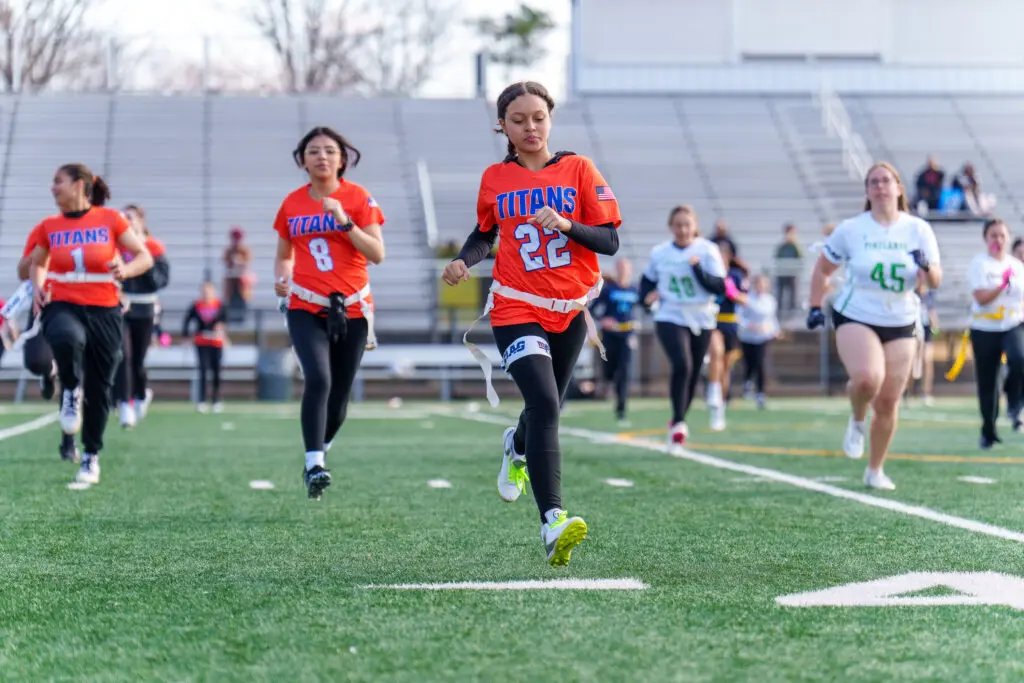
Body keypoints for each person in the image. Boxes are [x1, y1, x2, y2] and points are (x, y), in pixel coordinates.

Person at [442, 81, 621, 568]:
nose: (530, 127)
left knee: (549, 408)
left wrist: (566, 225)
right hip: (516, 307)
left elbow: (608, 242)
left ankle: (514, 445)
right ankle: (553, 521)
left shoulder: (579, 169)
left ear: (551, 118)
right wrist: (464, 260)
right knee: (543, 401)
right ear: (502, 125)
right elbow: (484, 234)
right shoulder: (496, 177)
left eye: (538, 117)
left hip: (569, 309)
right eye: (518, 119)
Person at [807, 161, 942, 490]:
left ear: (898, 188)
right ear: (867, 191)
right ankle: (856, 419)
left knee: (888, 401)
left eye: (886, 181)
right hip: (858, 311)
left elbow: (934, 280)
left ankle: (875, 469)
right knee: (868, 379)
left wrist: (924, 265)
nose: (880, 186)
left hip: (901, 316)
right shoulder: (852, 229)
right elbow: (823, 269)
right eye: (873, 182)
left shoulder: (918, 229)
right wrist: (813, 306)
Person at [273, 126, 385, 500]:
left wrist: (344, 221)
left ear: (343, 158)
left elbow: (377, 254)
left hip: (351, 306)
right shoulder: (291, 203)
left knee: (339, 397)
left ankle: (319, 448)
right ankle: (314, 463)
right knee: (318, 379)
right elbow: (284, 254)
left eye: (329, 150)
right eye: (314, 151)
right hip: (305, 304)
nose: (322, 156)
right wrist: (281, 278)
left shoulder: (358, 197)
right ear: (302, 160)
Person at [27, 163, 153, 485]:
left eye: (59, 182)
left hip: (105, 309)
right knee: (66, 338)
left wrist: (124, 270)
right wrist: (39, 287)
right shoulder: (49, 226)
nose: (52, 188)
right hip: (63, 303)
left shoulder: (110, 219)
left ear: (80, 185)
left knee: (100, 391)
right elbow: (37, 263)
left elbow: (144, 257)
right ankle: (69, 385)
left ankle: (90, 455)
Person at [639, 205, 729, 448]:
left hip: (701, 316)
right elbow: (646, 283)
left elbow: (720, 287)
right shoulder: (660, 253)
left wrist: (698, 270)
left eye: (687, 225)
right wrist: (647, 298)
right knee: (683, 364)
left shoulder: (707, 250)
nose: (682, 230)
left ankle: (678, 418)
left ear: (695, 227)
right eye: (678, 225)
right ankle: (679, 422)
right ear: (671, 227)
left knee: (693, 371)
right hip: (670, 313)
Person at [9, 225, 79, 461]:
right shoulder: (45, 230)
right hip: (45, 304)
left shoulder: (93, 232)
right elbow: (21, 271)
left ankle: (69, 443)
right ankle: (48, 372)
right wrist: (41, 253)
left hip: (78, 307)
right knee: (35, 361)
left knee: (73, 374)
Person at [966, 218, 1024, 446]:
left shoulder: (1017, 266)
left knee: (1020, 359)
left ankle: (1015, 405)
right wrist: (1001, 285)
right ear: (985, 239)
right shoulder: (979, 264)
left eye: (1002, 235)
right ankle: (988, 429)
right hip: (984, 328)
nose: (998, 240)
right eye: (993, 235)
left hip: (1012, 324)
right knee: (988, 382)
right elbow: (980, 298)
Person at [114, 204, 170, 429]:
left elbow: (159, 281)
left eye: (131, 217)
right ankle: (124, 404)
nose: (127, 221)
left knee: (138, 360)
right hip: (122, 307)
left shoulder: (154, 247)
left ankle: (140, 394)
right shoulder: (117, 246)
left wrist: (142, 255)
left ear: (141, 221)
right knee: (123, 355)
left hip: (145, 309)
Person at [705, 239, 748, 430]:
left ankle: (719, 408)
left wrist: (732, 292)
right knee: (716, 351)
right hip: (712, 320)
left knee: (725, 368)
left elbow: (744, 300)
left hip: (730, 322)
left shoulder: (736, 275)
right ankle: (712, 392)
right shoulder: (709, 275)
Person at [590, 257, 639, 425]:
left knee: (625, 372)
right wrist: (604, 319)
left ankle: (621, 410)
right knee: (609, 369)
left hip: (627, 335)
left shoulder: (634, 290)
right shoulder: (608, 290)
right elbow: (593, 309)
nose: (623, 271)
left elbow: (643, 308)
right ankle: (607, 384)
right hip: (610, 335)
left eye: (626, 268)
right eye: (620, 268)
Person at [182, 281, 228, 413]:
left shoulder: (219, 305)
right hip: (201, 342)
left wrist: (221, 328)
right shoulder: (196, 305)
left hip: (216, 342)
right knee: (202, 371)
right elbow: (187, 320)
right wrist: (186, 336)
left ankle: (216, 400)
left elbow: (224, 320)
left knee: (216, 371)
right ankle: (201, 400)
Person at [737, 272, 779, 410]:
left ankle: (761, 393)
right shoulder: (747, 299)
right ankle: (748, 382)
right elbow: (739, 316)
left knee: (761, 363)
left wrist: (774, 330)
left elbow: (771, 319)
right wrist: (749, 325)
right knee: (750, 363)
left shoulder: (770, 300)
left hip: (763, 337)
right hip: (748, 337)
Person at [906, 278, 938, 407]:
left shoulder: (930, 294)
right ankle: (908, 394)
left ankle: (926, 392)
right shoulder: (911, 292)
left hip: (926, 330)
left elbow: (932, 312)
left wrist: (934, 322)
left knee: (927, 360)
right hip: (912, 330)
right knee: (912, 363)